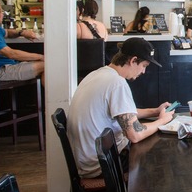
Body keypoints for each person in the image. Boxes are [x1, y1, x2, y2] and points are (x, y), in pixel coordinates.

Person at [67, 38, 174, 177]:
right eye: (144, 65)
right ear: (133, 60)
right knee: (159, 162)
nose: (144, 72)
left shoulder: (99, 74)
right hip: (102, 165)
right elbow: (135, 135)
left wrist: (155, 111)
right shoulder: (117, 83)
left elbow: (124, 113)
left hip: (89, 159)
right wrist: (162, 121)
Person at [0, 0, 45, 83]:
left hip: (6, 67)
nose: (3, 14)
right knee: (48, 65)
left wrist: (22, 32)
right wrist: (41, 57)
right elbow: (11, 54)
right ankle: (51, 96)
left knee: (46, 65)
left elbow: (8, 32)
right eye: (1, 11)